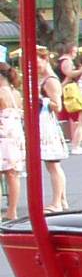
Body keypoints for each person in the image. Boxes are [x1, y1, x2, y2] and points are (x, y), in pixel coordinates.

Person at [36, 70, 70, 211]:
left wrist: (40, 99)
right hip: (43, 124)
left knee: (53, 165)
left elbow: (58, 106)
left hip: (47, 126)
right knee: (51, 166)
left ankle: (57, 202)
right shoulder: (43, 79)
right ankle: (62, 200)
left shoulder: (50, 81)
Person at [0, 65, 25, 220]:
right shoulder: (15, 93)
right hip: (15, 135)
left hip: (3, 134)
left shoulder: (1, 93)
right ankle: (12, 210)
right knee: (13, 174)